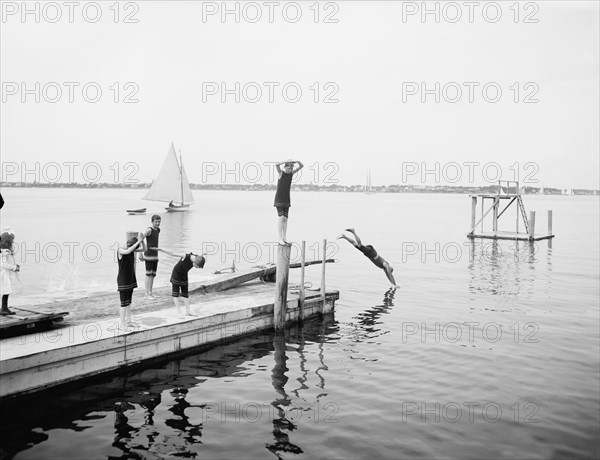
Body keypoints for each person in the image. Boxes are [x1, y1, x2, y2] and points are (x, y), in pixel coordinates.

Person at [151, 247, 206, 318]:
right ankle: (179, 312)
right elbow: (172, 253)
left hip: (184, 274)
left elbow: (200, 257)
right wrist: (161, 249)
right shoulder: (185, 256)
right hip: (176, 274)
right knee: (175, 294)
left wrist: (203, 253)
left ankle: (188, 311)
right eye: (196, 266)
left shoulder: (197, 258)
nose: (195, 267)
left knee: (185, 293)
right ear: (194, 261)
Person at [117, 233, 145, 328]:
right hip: (123, 281)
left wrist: (142, 241)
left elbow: (144, 249)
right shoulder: (120, 250)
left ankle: (128, 321)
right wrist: (138, 241)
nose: (131, 247)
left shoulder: (132, 250)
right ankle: (122, 324)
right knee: (123, 303)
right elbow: (128, 251)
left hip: (130, 279)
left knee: (129, 302)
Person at [273, 159, 304, 245]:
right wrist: (286, 161)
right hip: (279, 199)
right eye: (288, 167)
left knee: (285, 219)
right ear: (285, 167)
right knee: (281, 218)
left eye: (291, 167)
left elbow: (302, 166)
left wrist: (297, 161)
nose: (290, 169)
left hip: (286, 199)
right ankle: (280, 238)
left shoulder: (291, 174)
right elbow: (276, 164)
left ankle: (284, 237)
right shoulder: (281, 173)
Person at [0, 230, 21, 315]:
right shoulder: (5, 252)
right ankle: (4, 308)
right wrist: (14, 268)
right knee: (6, 290)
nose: (12, 243)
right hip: (5, 274)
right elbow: (3, 264)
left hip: (6, 274)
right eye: (11, 241)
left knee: (6, 291)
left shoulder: (4, 251)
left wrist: (15, 265)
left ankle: (4, 307)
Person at [140, 215, 161, 299]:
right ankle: (146, 294)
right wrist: (140, 253)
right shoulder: (149, 230)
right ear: (152, 221)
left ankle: (150, 292)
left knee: (153, 275)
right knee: (148, 274)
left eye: (159, 221)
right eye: (156, 221)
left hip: (155, 255)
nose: (158, 223)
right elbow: (140, 239)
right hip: (148, 255)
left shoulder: (158, 230)